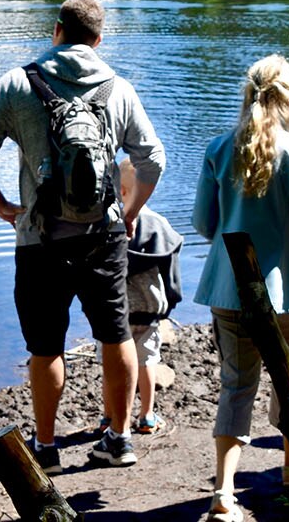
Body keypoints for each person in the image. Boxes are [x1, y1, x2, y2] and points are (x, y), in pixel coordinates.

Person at [0, 0, 166, 473]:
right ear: (98, 39)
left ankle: (47, 448)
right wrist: (130, 211)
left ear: (56, 30)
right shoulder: (118, 88)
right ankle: (117, 440)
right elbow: (153, 159)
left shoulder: (18, 83)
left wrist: (1, 206)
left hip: (40, 238)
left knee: (45, 345)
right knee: (116, 336)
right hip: (105, 235)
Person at [193, 54, 289, 522]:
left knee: (236, 385)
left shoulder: (219, 149)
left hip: (232, 290)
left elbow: (205, 225)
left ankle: (223, 493)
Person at [122, 164, 183, 434]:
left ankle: (110, 416)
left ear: (120, 191)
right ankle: (146, 415)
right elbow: (172, 271)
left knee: (113, 362)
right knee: (147, 361)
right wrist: (170, 302)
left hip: (115, 312)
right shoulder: (159, 224)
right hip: (148, 309)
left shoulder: (110, 224)